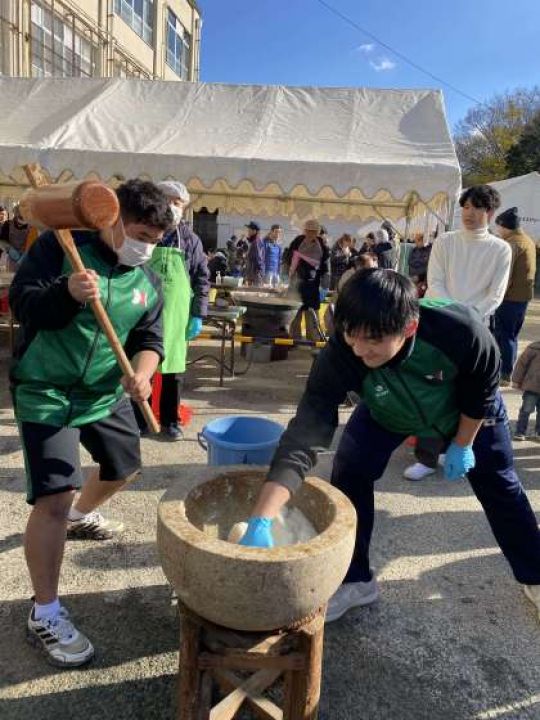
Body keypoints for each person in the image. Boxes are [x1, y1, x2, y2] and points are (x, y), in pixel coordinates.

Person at [238, 269, 540, 624]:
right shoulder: (342, 352)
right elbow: (304, 434)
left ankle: (534, 575)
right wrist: (262, 517)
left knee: (500, 487)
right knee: (350, 467)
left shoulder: (461, 330)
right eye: (352, 334)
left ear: (409, 327)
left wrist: (462, 443)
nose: (360, 348)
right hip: (389, 406)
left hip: (466, 408)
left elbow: (483, 391)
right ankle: (355, 579)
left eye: (374, 340)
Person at [9, 179, 171, 667]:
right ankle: (45, 611)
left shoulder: (148, 281)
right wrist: (67, 293)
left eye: (157, 239)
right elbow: (22, 303)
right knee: (54, 496)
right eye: (141, 232)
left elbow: (150, 338)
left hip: (103, 393)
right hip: (47, 390)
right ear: (113, 219)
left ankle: (81, 515)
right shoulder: (64, 249)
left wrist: (142, 376)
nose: (147, 245)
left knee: (124, 467)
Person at [407, 186, 513, 481]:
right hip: (441, 322)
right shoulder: (446, 241)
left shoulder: (501, 248)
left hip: (478, 329)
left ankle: (461, 447)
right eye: (466, 207)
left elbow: (496, 294)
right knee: (433, 388)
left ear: (489, 213)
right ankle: (427, 457)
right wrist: (451, 314)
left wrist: (468, 318)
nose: (469, 213)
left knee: (472, 390)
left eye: (477, 208)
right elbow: (435, 281)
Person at [135, 180, 209, 441]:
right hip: (143, 308)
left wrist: (198, 313)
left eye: (179, 204)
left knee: (173, 370)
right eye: (170, 201)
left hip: (177, 314)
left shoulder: (190, 239)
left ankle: (170, 421)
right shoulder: (143, 231)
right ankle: (139, 419)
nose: (174, 208)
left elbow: (201, 277)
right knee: (141, 366)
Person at [493, 207, 537, 384]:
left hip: (509, 298)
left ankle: (504, 374)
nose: (498, 231)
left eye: (499, 227)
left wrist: (496, 296)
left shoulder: (511, 244)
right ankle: (507, 371)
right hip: (522, 297)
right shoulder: (527, 240)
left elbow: (506, 275)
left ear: (505, 226)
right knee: (511, 335)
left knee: (505, 335)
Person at [288, 219, 330, 341]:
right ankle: (294, 338)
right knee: (296, 311)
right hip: (296, 282)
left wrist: (325, 284)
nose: (310, 233)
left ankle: (313, 339)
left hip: (312, 283)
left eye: (313, 231)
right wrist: (289, 271)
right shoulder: (298, 241)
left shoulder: (322, 245)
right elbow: (289, 255)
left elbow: (325, 267)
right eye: (308, 231)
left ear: (317, 232)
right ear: (304, 230)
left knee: (312, 313)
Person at [512, 341, 540, 441]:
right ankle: (520, 431)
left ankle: (538, 432)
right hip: (532, 387)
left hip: (532, 385)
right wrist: (516, 380)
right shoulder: (534, 348)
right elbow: (521, 364)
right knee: (526, 410)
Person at [0, 204, 38, 270]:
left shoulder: (32, 227)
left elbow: (33, 244)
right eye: (21, 217)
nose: (22, 220)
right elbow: (2, 241)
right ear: (16, 215)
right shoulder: (8, 224)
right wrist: (9, 249)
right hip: (11, 258)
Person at [244, 221, 265, 286]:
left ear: (254, 231)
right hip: (252, 272)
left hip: (255, 273)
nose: (248, 231)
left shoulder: (256, 242)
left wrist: (259, 272)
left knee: (255, 291)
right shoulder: (254, 241)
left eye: (249, 230)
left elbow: (258, 258)